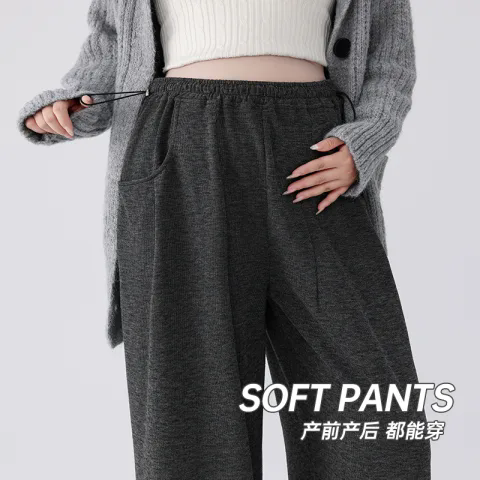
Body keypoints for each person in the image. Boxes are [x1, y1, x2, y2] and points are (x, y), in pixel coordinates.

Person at [16, 0, 431, 478]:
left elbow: (389, 54)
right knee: (190, 426)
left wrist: (368, 139)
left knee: (378, 424)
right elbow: (112, 47)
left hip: (319, 157)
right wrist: (72, 102)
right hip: (180, 146)